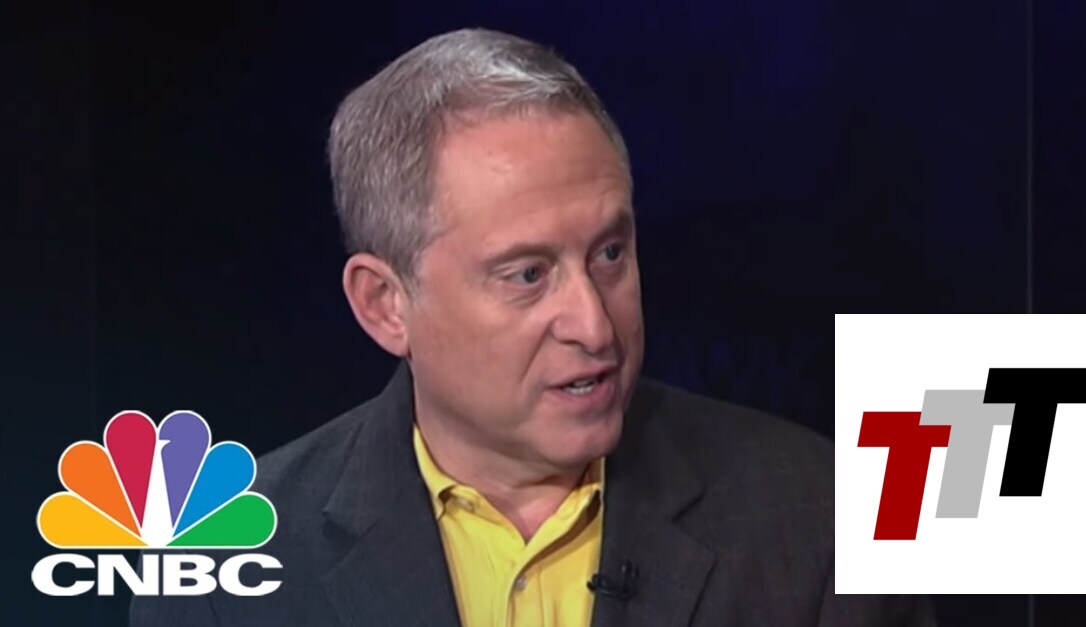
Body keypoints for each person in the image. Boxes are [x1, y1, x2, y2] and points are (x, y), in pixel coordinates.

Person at [132, 28, 934, 626]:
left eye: (609, 253)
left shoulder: (821, 519)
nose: (594, 323)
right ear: (385, 304)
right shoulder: (221, 571)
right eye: (526, 274)